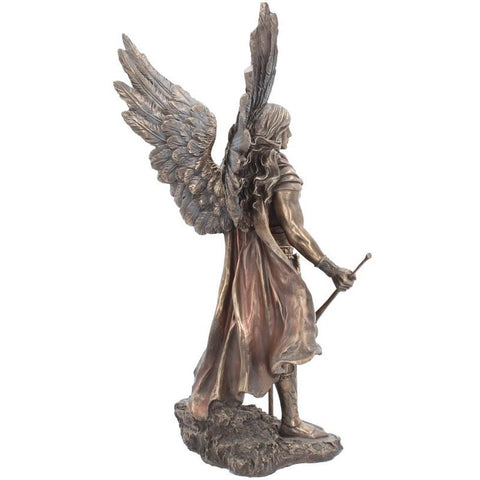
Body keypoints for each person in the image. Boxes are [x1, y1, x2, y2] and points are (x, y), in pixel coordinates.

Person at [188, 103, 355, 438]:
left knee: (271, 338)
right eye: (285, 127)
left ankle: (279, 415)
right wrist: (330, 268)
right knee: (289, 340)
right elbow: (294, 230)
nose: (289, 134)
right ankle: (291, 422)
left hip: (249, 272)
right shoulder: (278, 170)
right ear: (274, 130)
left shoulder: (239, 172)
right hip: (275, 269)